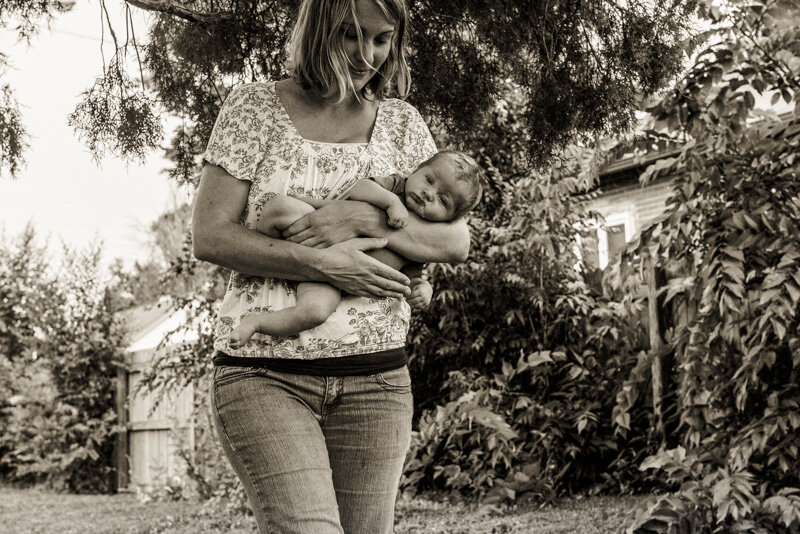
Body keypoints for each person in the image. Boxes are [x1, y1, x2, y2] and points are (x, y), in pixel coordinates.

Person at [191, 0, 472, 532]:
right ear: (319, 27)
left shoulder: (403, 124)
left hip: (377, 380)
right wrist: (325, 265)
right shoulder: (252, 108)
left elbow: (454, 239)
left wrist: (354, 219)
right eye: (351, 35)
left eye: (381, 39)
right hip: (265, 371)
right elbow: (210, 235)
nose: (367, 55)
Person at [227, 149, 483, 347]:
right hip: (313, 238)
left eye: (442, 200)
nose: (429, 193)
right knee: (279, 208)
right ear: (416, 170)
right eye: (429, 179)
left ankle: (257, 323)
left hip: (328, 282)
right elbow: (361, 187)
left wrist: (423, 289)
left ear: (448, 220)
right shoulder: (397, 186)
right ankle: (266, 255)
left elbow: (413, 277)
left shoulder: (424, 239)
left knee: (314, 312)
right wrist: (391, 202)